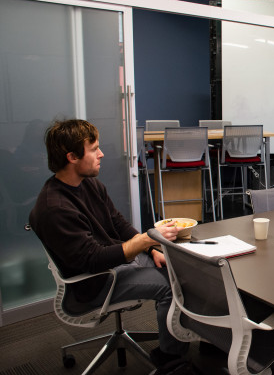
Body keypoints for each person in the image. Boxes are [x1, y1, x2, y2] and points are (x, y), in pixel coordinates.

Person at [29, 119, 189, 367]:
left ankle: (194, 338)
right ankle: (170, 357)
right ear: (72, 157)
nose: (101, 154)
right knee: (172, 285)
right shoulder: (55, 209)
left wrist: (151, 247)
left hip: (113, 263)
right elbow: (92, 261)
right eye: (94, 149)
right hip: (96, 281)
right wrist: (146, 239)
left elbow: (117, 224)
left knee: (180, 268)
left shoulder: (88, 183)